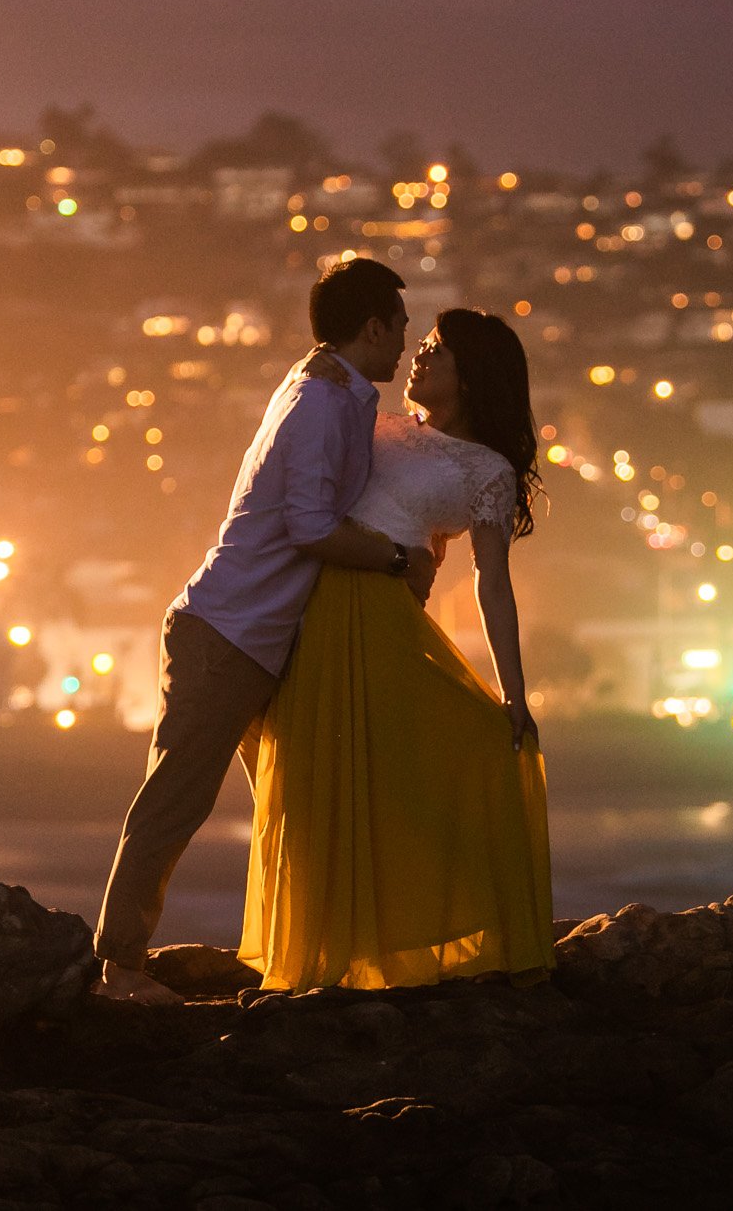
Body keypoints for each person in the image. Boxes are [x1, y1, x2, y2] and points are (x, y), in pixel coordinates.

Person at [94, 258, 437, 1005]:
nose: (408, 343)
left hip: (259, 639)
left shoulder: (333, 393)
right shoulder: (318, 401)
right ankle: (117, 967)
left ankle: (306, 952)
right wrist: (395, 559)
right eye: (402, 327)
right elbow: (312, 526)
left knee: (296, 802)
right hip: (227, 629)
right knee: (177, 796)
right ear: (372, 326)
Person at [238, 307, 556, 991]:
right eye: (423, 343)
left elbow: (491, 581)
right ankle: (317, 952)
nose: (419, 355)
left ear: (469, 376)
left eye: (437, 350)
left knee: (375, 780)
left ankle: (387, 948)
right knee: (306, 771)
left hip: (379, 619)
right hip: (307, 598)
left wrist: (513, 692)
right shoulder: (373, 421)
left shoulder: (487, 471)